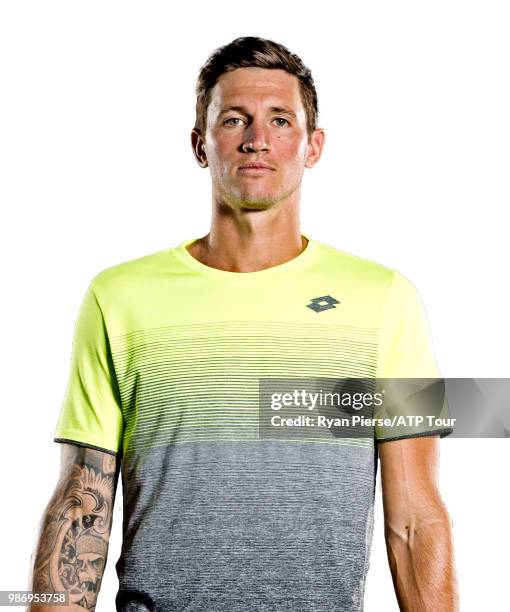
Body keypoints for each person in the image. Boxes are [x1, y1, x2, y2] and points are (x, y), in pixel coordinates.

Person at [27, 36, 459, 611]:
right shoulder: (118, 298)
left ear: (314, 146)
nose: (258, 139)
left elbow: (416, 519)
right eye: (234, 120)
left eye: (281, 120)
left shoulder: (387, 300)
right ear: (200, 144)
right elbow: (81, 506)